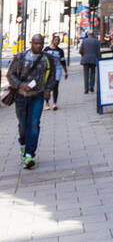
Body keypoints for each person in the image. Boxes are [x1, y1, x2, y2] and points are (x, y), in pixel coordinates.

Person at [7, 33, 55, 168]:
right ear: (31, 43)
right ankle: (22, 143)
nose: (38, 46)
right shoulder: (21, 57)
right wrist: (21, 85)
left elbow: (52, 75)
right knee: (23, 126)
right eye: (36, 43)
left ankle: (29, 155)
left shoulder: (47, 58)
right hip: (21, 97)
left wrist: (48, 90)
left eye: (41, 43)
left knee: (33, 124)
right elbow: (10, 74)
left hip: (37, 96)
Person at [45, 33, 68, 109]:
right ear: (52, 40)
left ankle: (54, 103)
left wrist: (66, 72)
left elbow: (63, 62)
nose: (57, 42)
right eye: (55, 40)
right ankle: (47, 103)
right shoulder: (46, 49)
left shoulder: (60, 51)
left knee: (55, 86)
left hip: (57, 70)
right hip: (48, 70)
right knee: (47, 87)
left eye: (58, 40)